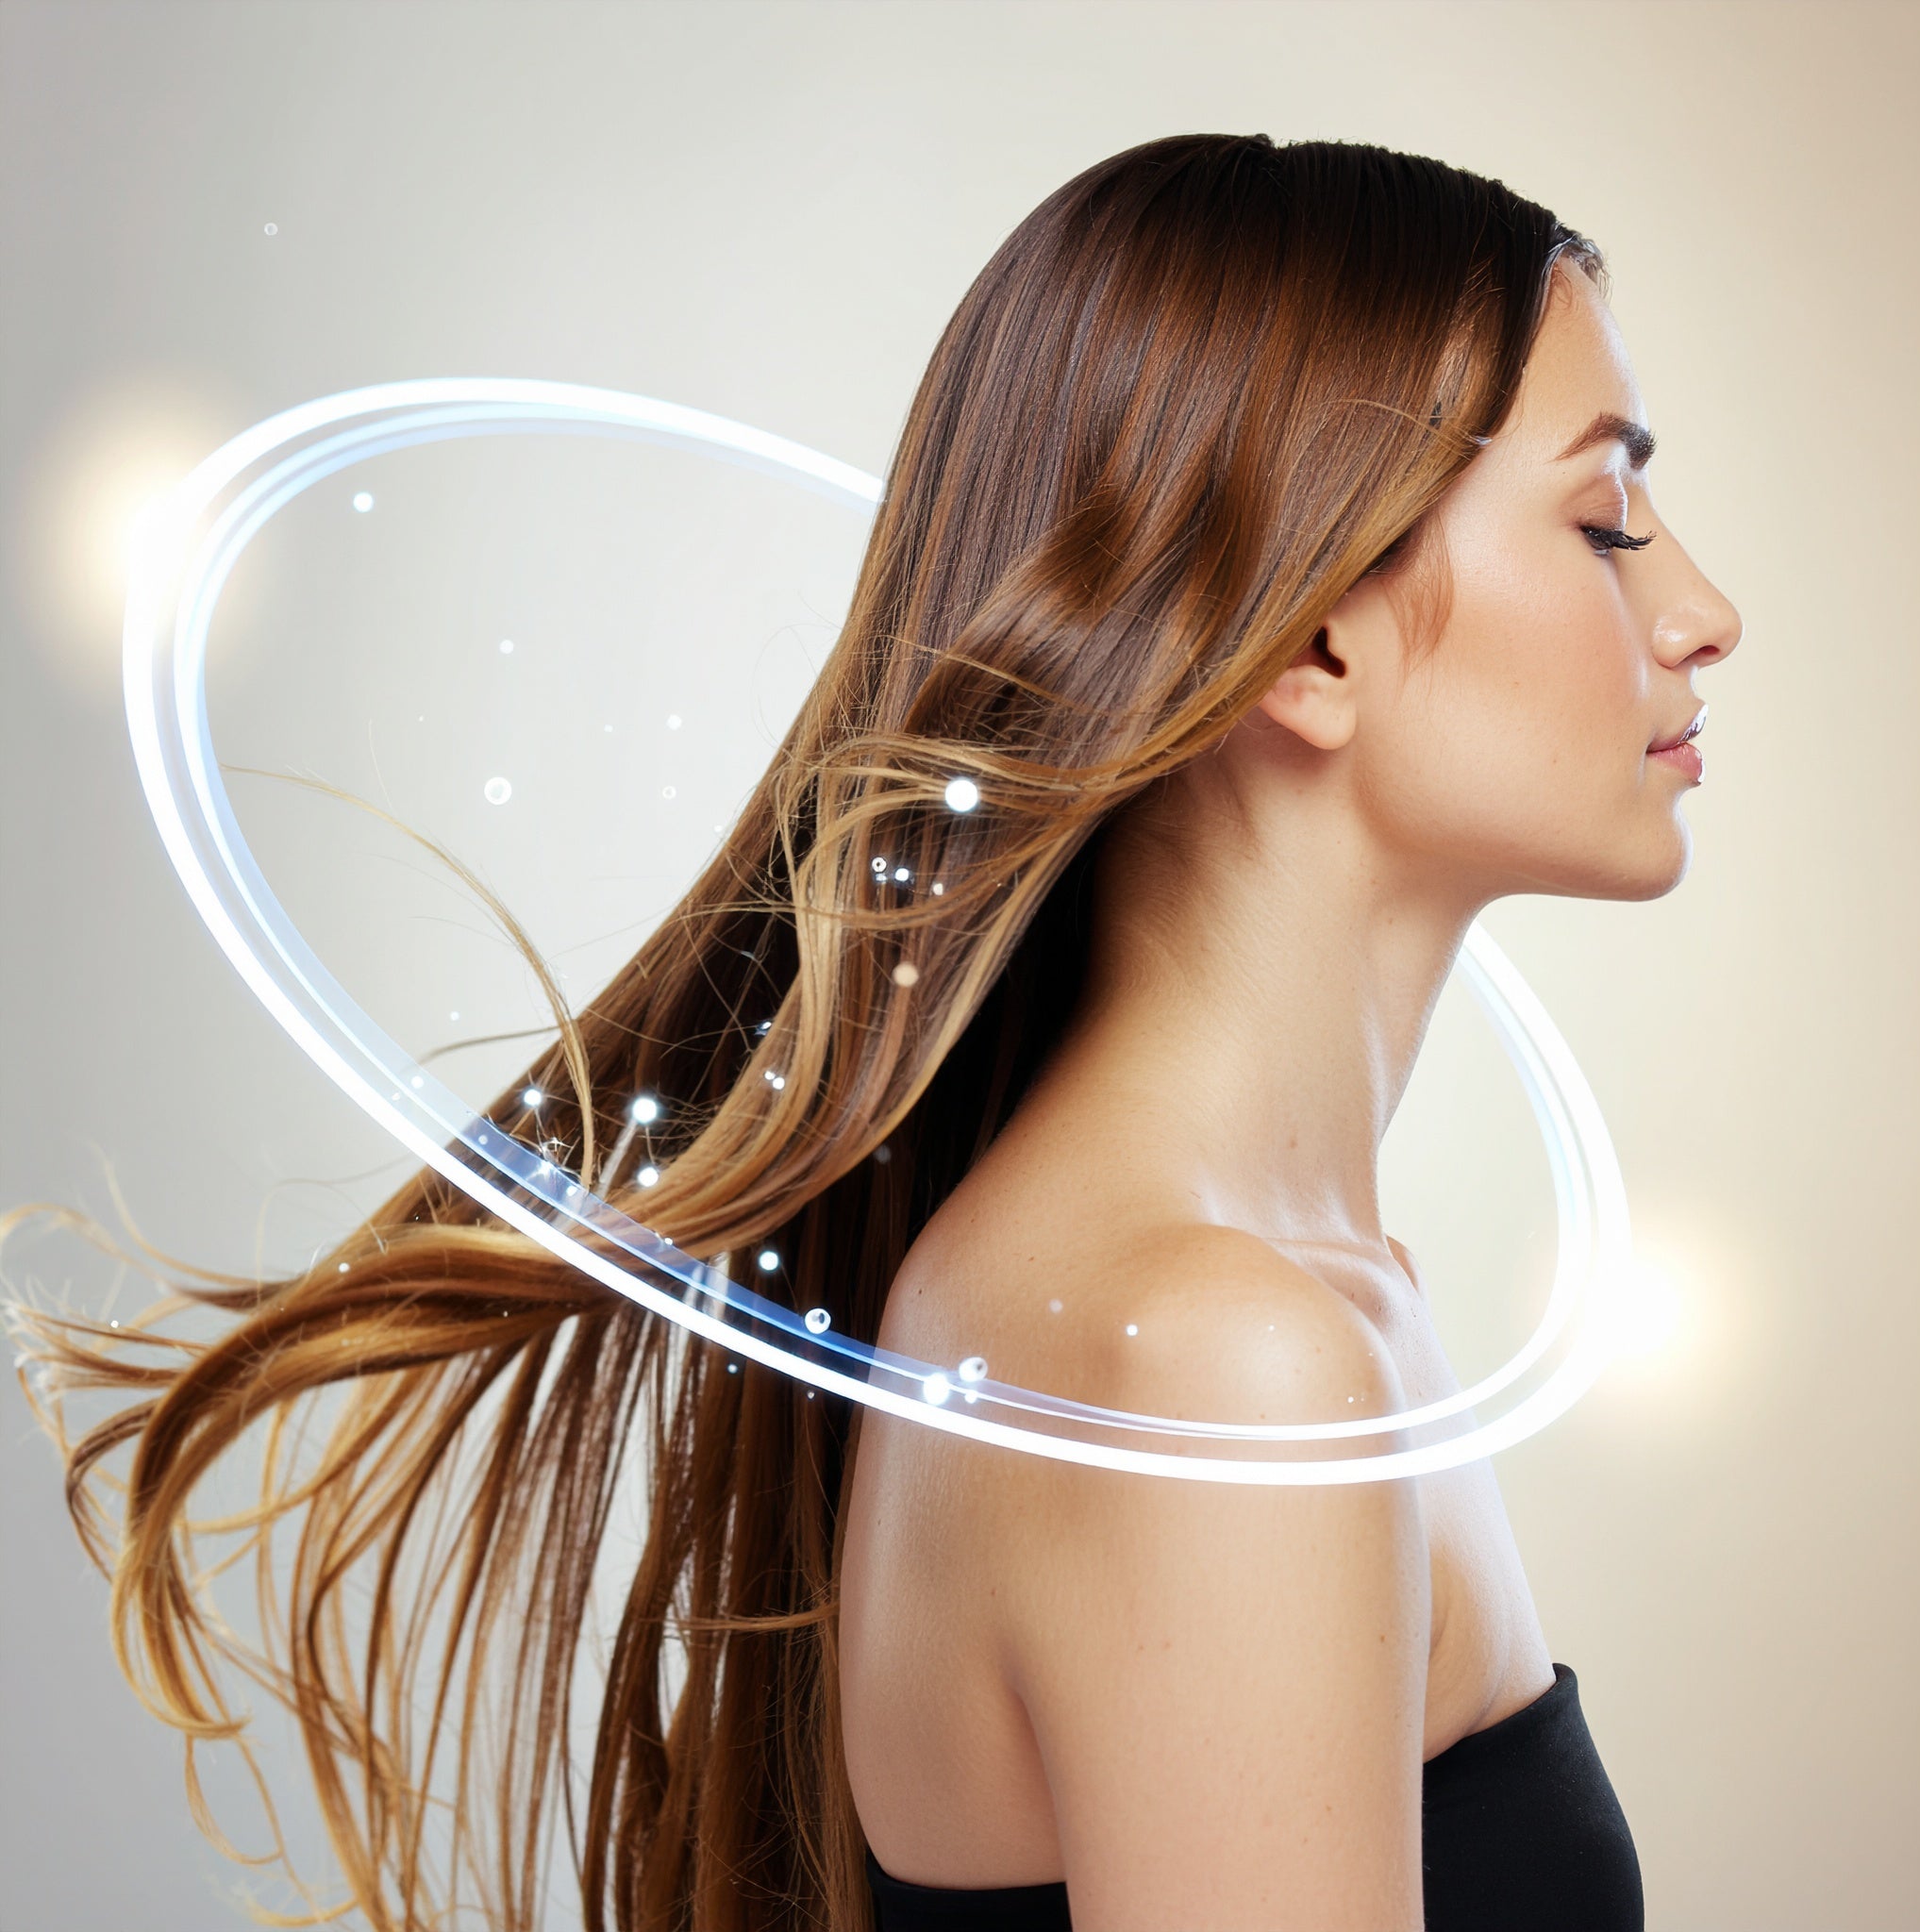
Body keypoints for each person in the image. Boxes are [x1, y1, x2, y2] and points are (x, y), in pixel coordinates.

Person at [7, 133, 1740, 1932]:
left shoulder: (1289, 1301)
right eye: (1606, 520)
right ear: (1310, 642)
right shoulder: (1217, 1365)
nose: (1704, 610)